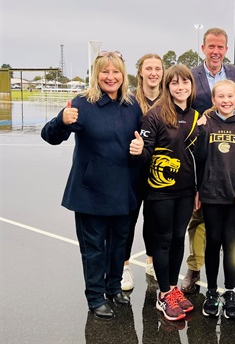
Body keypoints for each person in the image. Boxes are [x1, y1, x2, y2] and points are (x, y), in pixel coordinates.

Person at [41, 51, 144, 320]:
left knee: (119, 244)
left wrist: (141, 148)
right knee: (94, 247)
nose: (110, 77)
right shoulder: (82, 103)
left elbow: (143, 141)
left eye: (116, 72)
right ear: (96, 75)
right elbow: (50, 136)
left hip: (124, 189)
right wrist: (60, 121)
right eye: (105, 71)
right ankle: (95, 296)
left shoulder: (132, 105)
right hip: (91, 191)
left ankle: (113, 287)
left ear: (123, 75)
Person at [181, 27, 235, 294]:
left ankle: (233, 271)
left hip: (232, 167)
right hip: (204, 158)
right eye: (211, 46)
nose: (216, 51)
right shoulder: (191, 75)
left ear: (226, 49)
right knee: (199, 224)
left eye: (221, 47)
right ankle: (195, 269)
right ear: (203, 48)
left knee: (230, 234)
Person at [138, 65, 199, 321]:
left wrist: (197, 189)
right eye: (174, 83)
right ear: (167, 86)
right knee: (162, 241)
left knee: (177, 239)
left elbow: (199, 157)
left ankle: (173, 289)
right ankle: (163, 295)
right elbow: (145, 153)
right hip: (160, 192)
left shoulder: (197, 116)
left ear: (191, 86)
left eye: (184, 82)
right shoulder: (155, 115)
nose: (180, 87)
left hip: (186, 192)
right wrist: (138, 149)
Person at [194, 80, 235, 319]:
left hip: (234, 195)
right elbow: (198, 159)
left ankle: (230, 292)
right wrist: (199, 132)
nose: (226, 100)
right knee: (213, 241)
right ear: (213, 100)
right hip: (210, 194)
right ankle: (211, 291)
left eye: (230, 96)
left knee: (231, 243)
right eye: (221, 96)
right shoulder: (206, 122)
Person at [122, 53, 164, 292]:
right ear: (140, 72)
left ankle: (151, 261)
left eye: (157, 68)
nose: (153, 73)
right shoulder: (128, 101)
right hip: (132, 170)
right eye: (149, 68)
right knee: (128, 220)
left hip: (157, 172)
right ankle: (124, 265)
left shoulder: (167, 100)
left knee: (154, 221)